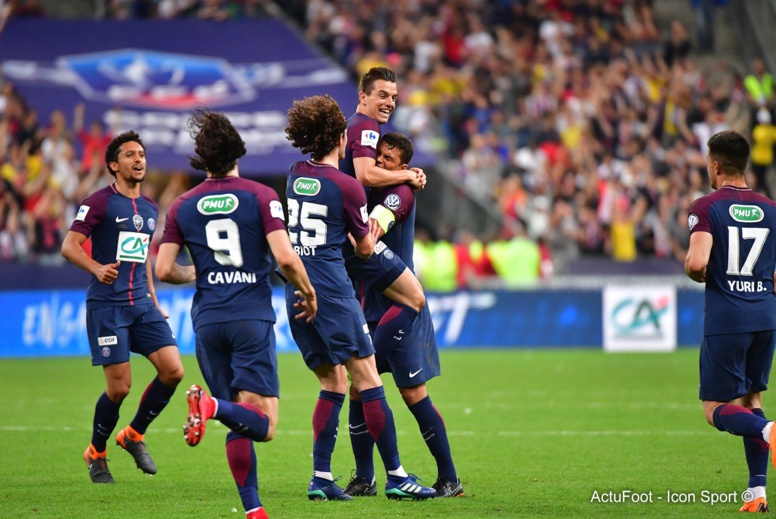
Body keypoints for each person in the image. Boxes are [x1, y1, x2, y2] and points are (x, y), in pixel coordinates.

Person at [155, 109, 316, 519]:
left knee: (237, 415)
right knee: (264, 423)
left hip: (207, 320)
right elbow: (286, 258)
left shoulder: (182, 206)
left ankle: (253, 510)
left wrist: (200, 272)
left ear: (201, 158)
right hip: (250, 317)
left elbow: (163, 269)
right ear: (239, 150)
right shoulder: (262, 196)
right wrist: (309, 291)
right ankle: (208, 407)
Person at [284, 94, 435, 501]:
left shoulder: (294, 174)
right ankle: (397, 476)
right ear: (340, 139)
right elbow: (365, 249)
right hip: (332, 291)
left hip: (296, 290)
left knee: (333, 381)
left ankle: (321, 476)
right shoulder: (347, 186)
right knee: (367, 378)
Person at [344, 132, 464, 498]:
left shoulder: (400, 193)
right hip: (370, 307)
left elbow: (371, 233)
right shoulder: (369, 191)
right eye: (378, 155)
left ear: (405, 167)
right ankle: (365, 478)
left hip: (401, 309)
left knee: (412, 394)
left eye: (389, 159)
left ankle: (449, 478)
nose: (380, 161)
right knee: (358, 387)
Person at [61, 131, 184, 484]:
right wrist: (96, 268)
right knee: (119, 388)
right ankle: (96, 453)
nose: (138, 159)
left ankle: (133, 434)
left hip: (141, 304)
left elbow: (142, 256)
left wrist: (155, 300)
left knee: (173, 370)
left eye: (141, 153)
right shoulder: (99, 202)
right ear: (114, 165)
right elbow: (70, 246)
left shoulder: (149, 208)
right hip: (108, 307)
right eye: (130, 154)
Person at [685, 130, 776, 513]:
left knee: (713, 408)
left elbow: (697, 262)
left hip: (728, 318)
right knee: (752, 398)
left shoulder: (706, 207)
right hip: (766, 316)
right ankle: (757, 490)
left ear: (717, 165)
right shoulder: (772, 209)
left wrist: (694, 270)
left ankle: (769, 430)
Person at [341, 67, 428, 387]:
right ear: (362, 96)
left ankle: (366, 368)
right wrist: (407, 175)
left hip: (338, 243)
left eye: (393, 96)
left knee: (347, 385)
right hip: (350, 241)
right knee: (414, 296)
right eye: (382, 95)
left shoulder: (351, 126)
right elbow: (365, 174)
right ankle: (370, 365)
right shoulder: (365, 126)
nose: (390, 102)